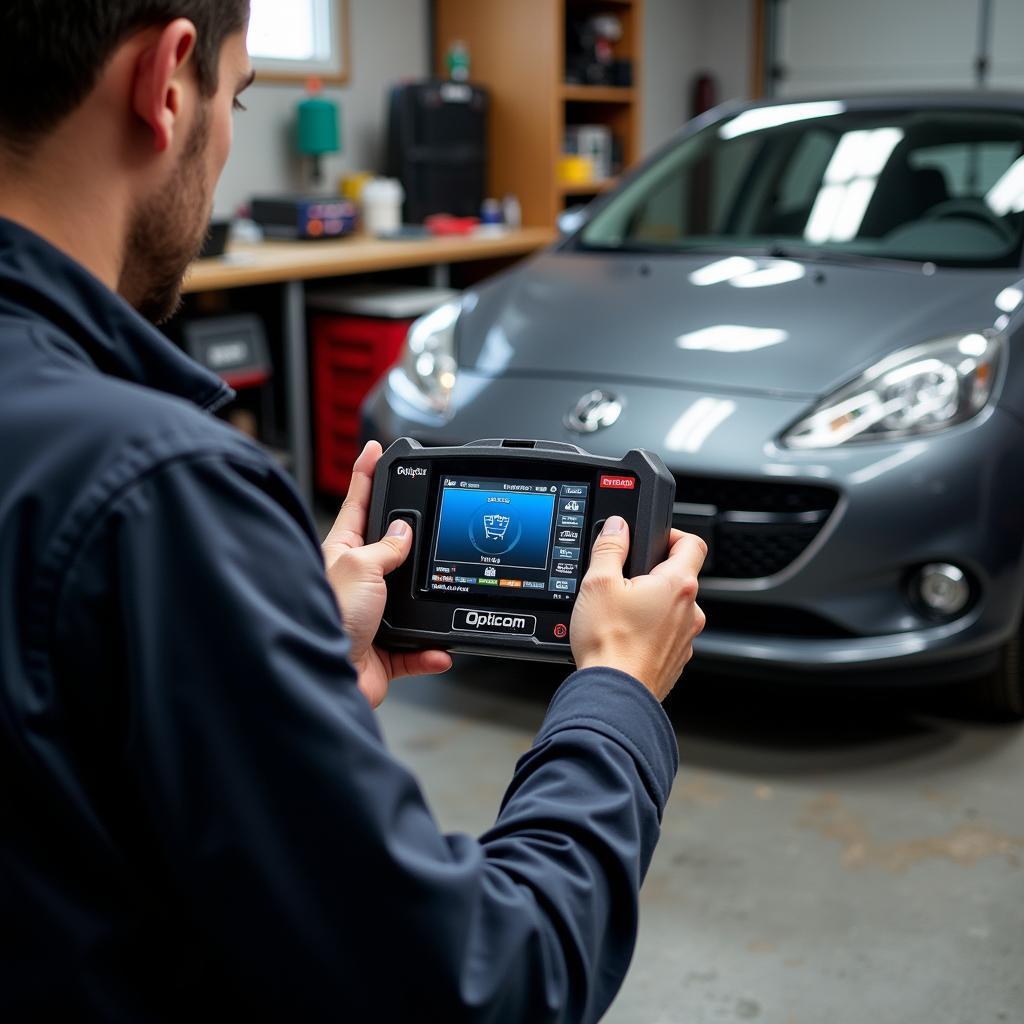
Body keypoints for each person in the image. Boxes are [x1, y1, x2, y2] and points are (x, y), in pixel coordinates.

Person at [0, 2, 707, 1020]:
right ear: (167, 82)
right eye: (238, 96)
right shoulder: (152, 492)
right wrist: (617, 695)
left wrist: (281, 659)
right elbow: (485, 987)